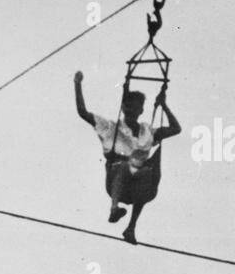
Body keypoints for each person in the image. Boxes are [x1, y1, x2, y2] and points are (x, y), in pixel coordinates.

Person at [74, 71, 181, 244]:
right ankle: (114, 209)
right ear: (123, 108)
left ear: (141, 110)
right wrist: (77, 83)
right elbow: (82, 112)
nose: (132, 111)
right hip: (117, 180)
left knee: (146, 173)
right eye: (128, 107)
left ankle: (131, 228)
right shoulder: (110, 127)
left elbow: (176, 129)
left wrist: (164, 106)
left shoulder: (147, 132)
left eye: (136, 107)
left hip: (138, 184)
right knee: (126, 166)